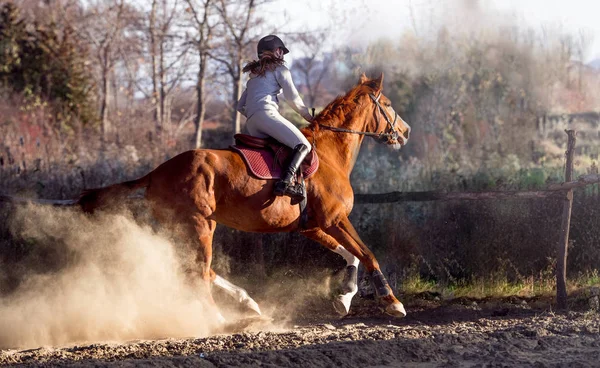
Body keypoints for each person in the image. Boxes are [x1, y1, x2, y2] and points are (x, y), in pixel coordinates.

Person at [236, 34, 313, 202]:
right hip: (267, 115)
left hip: (251, 123)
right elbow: (292, 98)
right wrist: (308, 116)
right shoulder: (281, 70)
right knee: (303, 144)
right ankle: (285, 183)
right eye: (281, 51)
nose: (283, 55)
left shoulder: (253, 77)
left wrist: (254, 115)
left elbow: (239, 106)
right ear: (277, 51)